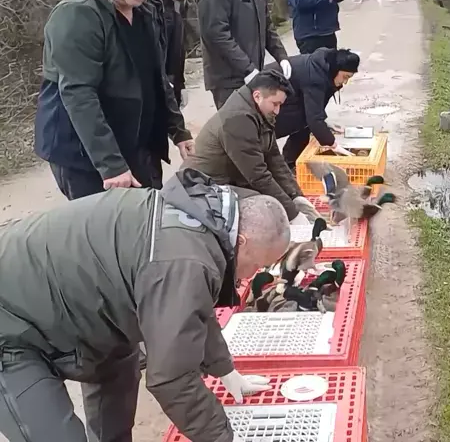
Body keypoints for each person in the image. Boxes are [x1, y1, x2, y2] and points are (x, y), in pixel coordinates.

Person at [0, 168, 291, 442]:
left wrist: (224, 369)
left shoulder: (204, 216)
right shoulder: (185, 261)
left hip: (77, 307)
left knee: (120, 367)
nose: (253, 274)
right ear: (243, 240)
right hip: (10, 323)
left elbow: (190, 311)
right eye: (257, 264)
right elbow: (173, 380)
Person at [33, 0, 195, 201]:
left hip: (138, 144)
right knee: (106, 229)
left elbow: (157, 78)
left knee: (147, 219)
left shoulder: (146, 10)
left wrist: (178, 130)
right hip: (86, 155)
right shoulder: (76, 15)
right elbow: (80, 95)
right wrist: (111, 165)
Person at [183, 69, 317, 224]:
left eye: (280, 105)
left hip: (227, 181)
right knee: (268, 209)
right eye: (275, 104)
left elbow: (274, 158)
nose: (277, 111)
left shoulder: (260, 111)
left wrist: (295, 195)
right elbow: (258, 175)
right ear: (257, 96)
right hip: (202, 189)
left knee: (277, 203)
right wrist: (292, 214)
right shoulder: (238, 119)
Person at [196, 0, 293, 110]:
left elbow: (267, 26)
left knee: (257, 125)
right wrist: (247, 69)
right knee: (236, 126)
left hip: (253, 74)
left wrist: (282, 56)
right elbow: (216, 34)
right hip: (228, 79)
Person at [265, 47, 359, 171]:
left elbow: (316, 107)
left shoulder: (326, 68)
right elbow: (314, 117)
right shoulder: (316, 76)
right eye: (345, 76)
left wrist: (325, 124)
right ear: (336, 69)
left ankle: (291, 164)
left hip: (288, 96)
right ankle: (276, 170)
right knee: (267, 135)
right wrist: (332, 144)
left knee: (306, 123)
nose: (345, 82)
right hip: (267, 96)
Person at [149, 0, 195, 108]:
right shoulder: (147, 0)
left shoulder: (177, 0)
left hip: (172, 89)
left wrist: (180, 85)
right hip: (155, 93)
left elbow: (177, 47)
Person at [283, 0, 353, 53]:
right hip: (310, 34)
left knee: (332, 63)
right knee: (316, 63)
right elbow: (299, 1)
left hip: (328, 31)